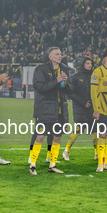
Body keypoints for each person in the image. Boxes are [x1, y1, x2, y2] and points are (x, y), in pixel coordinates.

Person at [28, 47, 70, 175]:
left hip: (60, 109)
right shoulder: (41, 70)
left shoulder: (65, 69)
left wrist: (67, 83)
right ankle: (32, 165)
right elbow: (39, 87)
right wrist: (56, 81)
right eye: (57, 54)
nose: (60, 56)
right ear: (50, 57)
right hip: (45, 109)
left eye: (60, 53)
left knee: (57, 136)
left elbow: (69, 89)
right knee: (40, 136)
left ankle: (53, 164)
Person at [62, 56, 97, 161]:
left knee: (96, 131)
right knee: (77, 130)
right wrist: (83, 102)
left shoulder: (94, 76)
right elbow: (71, 93)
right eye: (87, 63)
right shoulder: (75, 77)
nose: (89, 66)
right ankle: (66, 151)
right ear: (82, 64)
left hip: (92, 107)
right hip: (80, 108)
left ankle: (97, 153)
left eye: (91, 64)